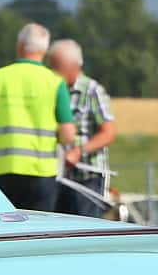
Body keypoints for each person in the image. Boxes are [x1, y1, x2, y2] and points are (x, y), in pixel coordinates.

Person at [0, 23, 76, 213]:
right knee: (38, 231)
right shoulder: (55, 83)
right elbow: (68, 135)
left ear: (20, 45)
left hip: (3, 170)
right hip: (41, 172)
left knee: (5, 231)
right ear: (44, 50)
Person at [46, 40, 115, 218]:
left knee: (86, 226)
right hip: (59, 178)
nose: (52, 71)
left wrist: (79, 151)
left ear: (73, 66)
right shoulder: (51, 90)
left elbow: (108, 132)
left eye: (56, 67)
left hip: (88, 177)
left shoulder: (92, 91)